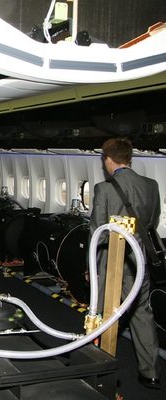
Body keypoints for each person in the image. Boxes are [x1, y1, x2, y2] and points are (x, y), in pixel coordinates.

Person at [89, 137, 161, 390]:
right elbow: (151, 222)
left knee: (103, 314)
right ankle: (150, 372)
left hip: (113, 260)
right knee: (142, 312)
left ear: (108, 160)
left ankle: (95, 365)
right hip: (139, 258)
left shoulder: (104, 189)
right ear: (129, 158)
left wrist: (93, 269)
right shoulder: (151, 185)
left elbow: (98, 232)